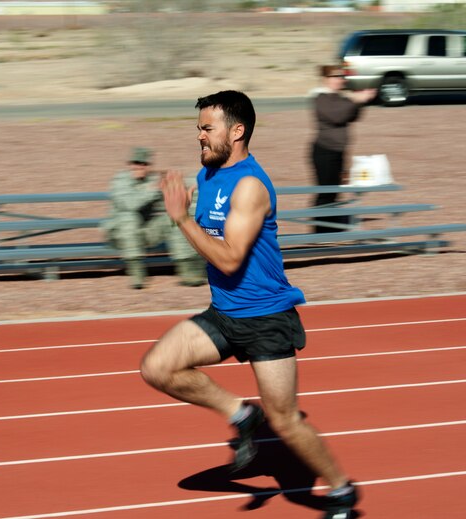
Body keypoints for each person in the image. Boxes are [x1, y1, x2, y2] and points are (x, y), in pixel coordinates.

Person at [140, 91, 359, 518]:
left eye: (208, 127)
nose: (199, 134)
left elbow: (228, 256)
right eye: (199, 127)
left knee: (287, 422)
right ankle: (242, 416)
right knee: (157, 367)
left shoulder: (251, 185)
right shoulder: (208, 176)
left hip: (267, 317)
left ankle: (341, 492)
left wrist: (181, 218)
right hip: (225, 311)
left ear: (236, 131)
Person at [102, 147, 205, 289]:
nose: (139, 167)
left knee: (174, 220)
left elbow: (174, 197)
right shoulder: (121, 180)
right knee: (129, 217)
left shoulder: (153, 179)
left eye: (143, 164)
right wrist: (151, 190)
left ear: (148, 166)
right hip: (119, 234)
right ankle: (136, 272)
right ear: (130, 164)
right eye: (136, 163)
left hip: (143, 233)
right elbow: (129, 205)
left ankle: (188, 270)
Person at [309, 65, 377, 233]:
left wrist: (362, 101)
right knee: (325, 192)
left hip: (339, 151)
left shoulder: (341, 98)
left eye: (341, 77)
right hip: (324, 151)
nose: (340, 80)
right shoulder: (320, 98)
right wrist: (356, 100)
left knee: (335, 192)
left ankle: (331, 227)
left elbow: (353, 115)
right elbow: (337, 116)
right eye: (336, 77)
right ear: (326, 79)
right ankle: (320, 230)